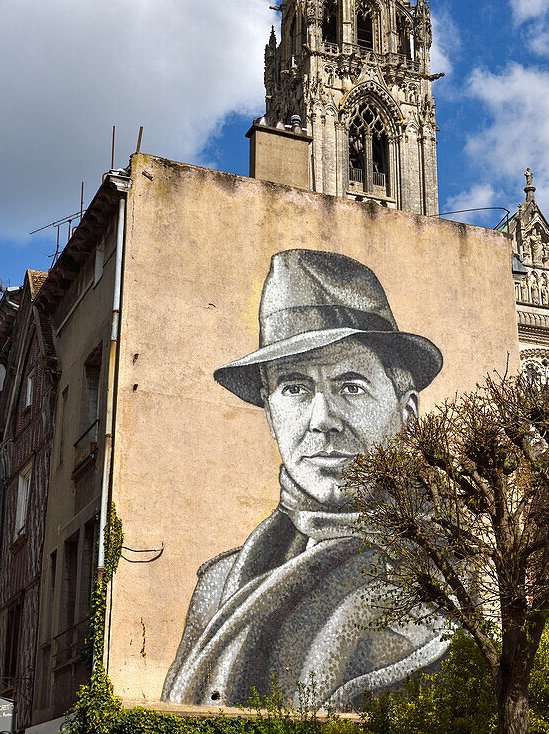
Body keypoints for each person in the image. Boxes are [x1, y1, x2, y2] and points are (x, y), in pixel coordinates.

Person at [162, 249, 448, 710]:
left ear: (408, 413)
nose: (322, 420)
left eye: (350, 386)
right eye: (294, 387)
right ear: (271, 412)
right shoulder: (219, 584)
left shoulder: (455, 569)